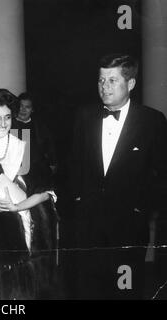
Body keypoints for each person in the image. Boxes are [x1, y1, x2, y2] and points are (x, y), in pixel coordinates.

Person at [70, 54, 167, 299]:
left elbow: (163, 173)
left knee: (126, 293)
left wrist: (141, 208)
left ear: (131, 84)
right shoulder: (84, 116)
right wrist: (77, 203)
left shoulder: (152, 121)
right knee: (88, 291)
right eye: (101, 80)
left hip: (129, 229)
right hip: (87, 227)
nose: (105, 87)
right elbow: (73, 167)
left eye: (112, 80)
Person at [0, 88, 59, 300]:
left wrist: (17, 207)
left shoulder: (25, 147)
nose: (2, 124)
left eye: (7, 117)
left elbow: (47, 192)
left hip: (26, 231)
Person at [14, 92, 57, 174]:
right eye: (21, 106)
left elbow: (49, 145)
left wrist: (52, 163)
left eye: (27, 107)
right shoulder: (9, 125)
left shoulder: (39, 126)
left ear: (32, 109)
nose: (23, 110)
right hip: (15, 171)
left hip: (36, 171)